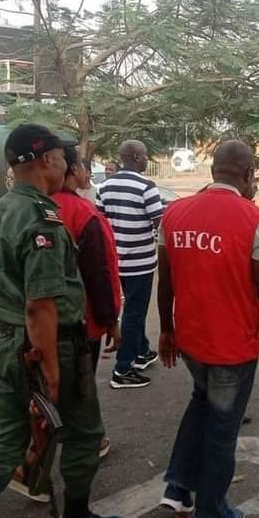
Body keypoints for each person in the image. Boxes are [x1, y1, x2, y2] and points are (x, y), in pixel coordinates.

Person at [0, 124, 121, 518]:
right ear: (48, 159)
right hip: (49, 346)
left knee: (2, 441)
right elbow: (41, 305)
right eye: (64, 158)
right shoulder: (43, 219)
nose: (67, 165)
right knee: (84, 434)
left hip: (4, 340)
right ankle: (78, 516)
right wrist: (50, 368)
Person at [157, 139, 259, 518]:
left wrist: (166, 330)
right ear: (250, 174)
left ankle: (178, 490)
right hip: (232, 346)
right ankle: (212, 512)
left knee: (200, 403)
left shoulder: (175, 213)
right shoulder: (255, 219)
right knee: (222, 427)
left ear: (213, 170)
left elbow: (165, 281)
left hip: (190, 340)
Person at [51, 145, 122, 460]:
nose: (87, 172)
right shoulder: (84, 214)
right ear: (71, 168)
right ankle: (88, 440)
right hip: (81, 319)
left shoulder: (34, 207)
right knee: (81, 384)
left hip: (41, 317)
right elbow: (99, 273)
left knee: (53, 381)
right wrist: (111, 320)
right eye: (83, 165)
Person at [96, 140, 164, 389]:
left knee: (134, 310)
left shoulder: (104, 186)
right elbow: (159, 223)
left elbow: (101, 222)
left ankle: (142, 351)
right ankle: (123, 369)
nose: (147, 159)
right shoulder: (146, 187)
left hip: (116, 260)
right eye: (145, 155)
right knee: (135, 313)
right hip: (140, 262)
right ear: (135, 157)